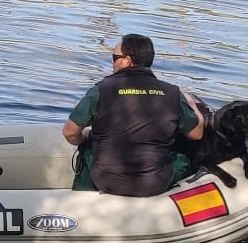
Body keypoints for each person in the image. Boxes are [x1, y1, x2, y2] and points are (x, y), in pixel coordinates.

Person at [63, 34, 205, 196]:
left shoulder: (101, 90)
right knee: (184, 158)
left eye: (115, 57)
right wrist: (193, 106)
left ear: (127, 61)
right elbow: (197, 133)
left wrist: (84, 139)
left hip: (106, 181)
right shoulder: (173, 93)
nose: (112, 62)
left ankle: (82, 199)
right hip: (154, 183)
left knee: (87, 146)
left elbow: (70, 132)